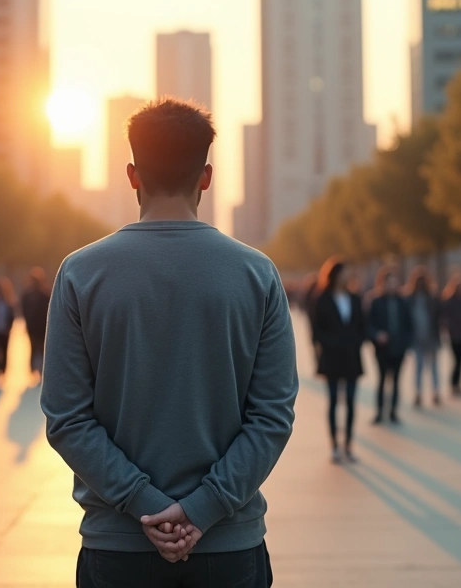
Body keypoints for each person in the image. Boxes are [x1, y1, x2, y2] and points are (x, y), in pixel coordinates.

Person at [41, 99, 295, 585]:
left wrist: (147, 506)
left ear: (133, 175)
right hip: (229, 546)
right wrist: (202, 509)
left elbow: (67, 417)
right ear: (207, 176)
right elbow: (272, 416)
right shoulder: (257, 274)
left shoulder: (81, 273)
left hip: (118, 546)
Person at [312, 258, 366, 462]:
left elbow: (362, 325)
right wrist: (333, 343)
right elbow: (317, 330)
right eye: (344, 273)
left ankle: (349, 445)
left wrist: (355, 341)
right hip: (332, 358)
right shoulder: (322, 299)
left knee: (351, 401)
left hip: (352, 357)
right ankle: (334, 445)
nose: (347, 277)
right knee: (334, 401)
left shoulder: (355, 298)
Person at [366, 267, 411, 425]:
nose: (392, 286)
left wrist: (406, 343)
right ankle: (379, 411)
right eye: (389, 283)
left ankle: (393, 412)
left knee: (397, 381)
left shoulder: (403, 301)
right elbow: (368, 324)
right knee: (382, 380)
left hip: (399, 348)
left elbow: (409, 325)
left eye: (394, 283)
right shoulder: (376, 301)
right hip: (382, 349)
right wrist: (376, 335)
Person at [406, 267, 442, 407]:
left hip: (431, 337)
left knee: (433, 367)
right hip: (417, 338)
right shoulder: (410, 299)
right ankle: (418, 393)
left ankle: (435, 392)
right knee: (419, 367)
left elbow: (438, 317)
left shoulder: (432, 298)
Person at [441, 277, 461, 398]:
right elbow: (445, 316)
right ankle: (454, 384)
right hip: (454, 335)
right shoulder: (450, 301)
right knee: (456, 360)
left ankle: (458, 384)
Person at [21, 267, 50, 375]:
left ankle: (35, 370)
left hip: (37, 326)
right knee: (38, 348)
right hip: (39, 326)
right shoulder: (43, 294)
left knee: (36, 348)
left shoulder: (31, 295)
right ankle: (37, 370)